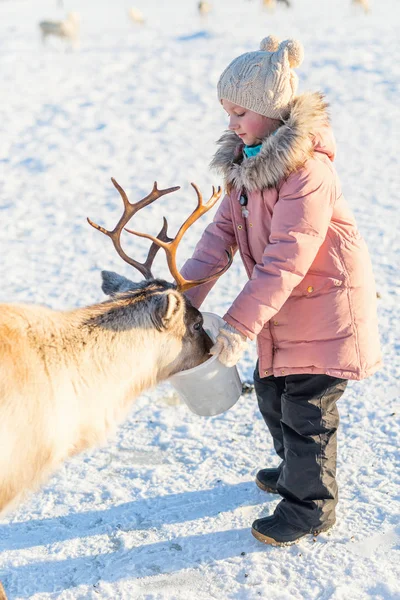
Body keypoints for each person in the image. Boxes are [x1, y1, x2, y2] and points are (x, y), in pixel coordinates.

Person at [180, 35, 382, 546]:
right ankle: (295, 469)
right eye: (226, 112)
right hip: (285, 312)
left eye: (239, 111)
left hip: (326, 309)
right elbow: (218, 240)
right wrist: (183, 303)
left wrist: (238, 325)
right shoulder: (245, 170)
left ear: (270, 110)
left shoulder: (309, 173)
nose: (230, 123)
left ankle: (309, 507)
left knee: (306, 414)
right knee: (271, 396)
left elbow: (287, 258)